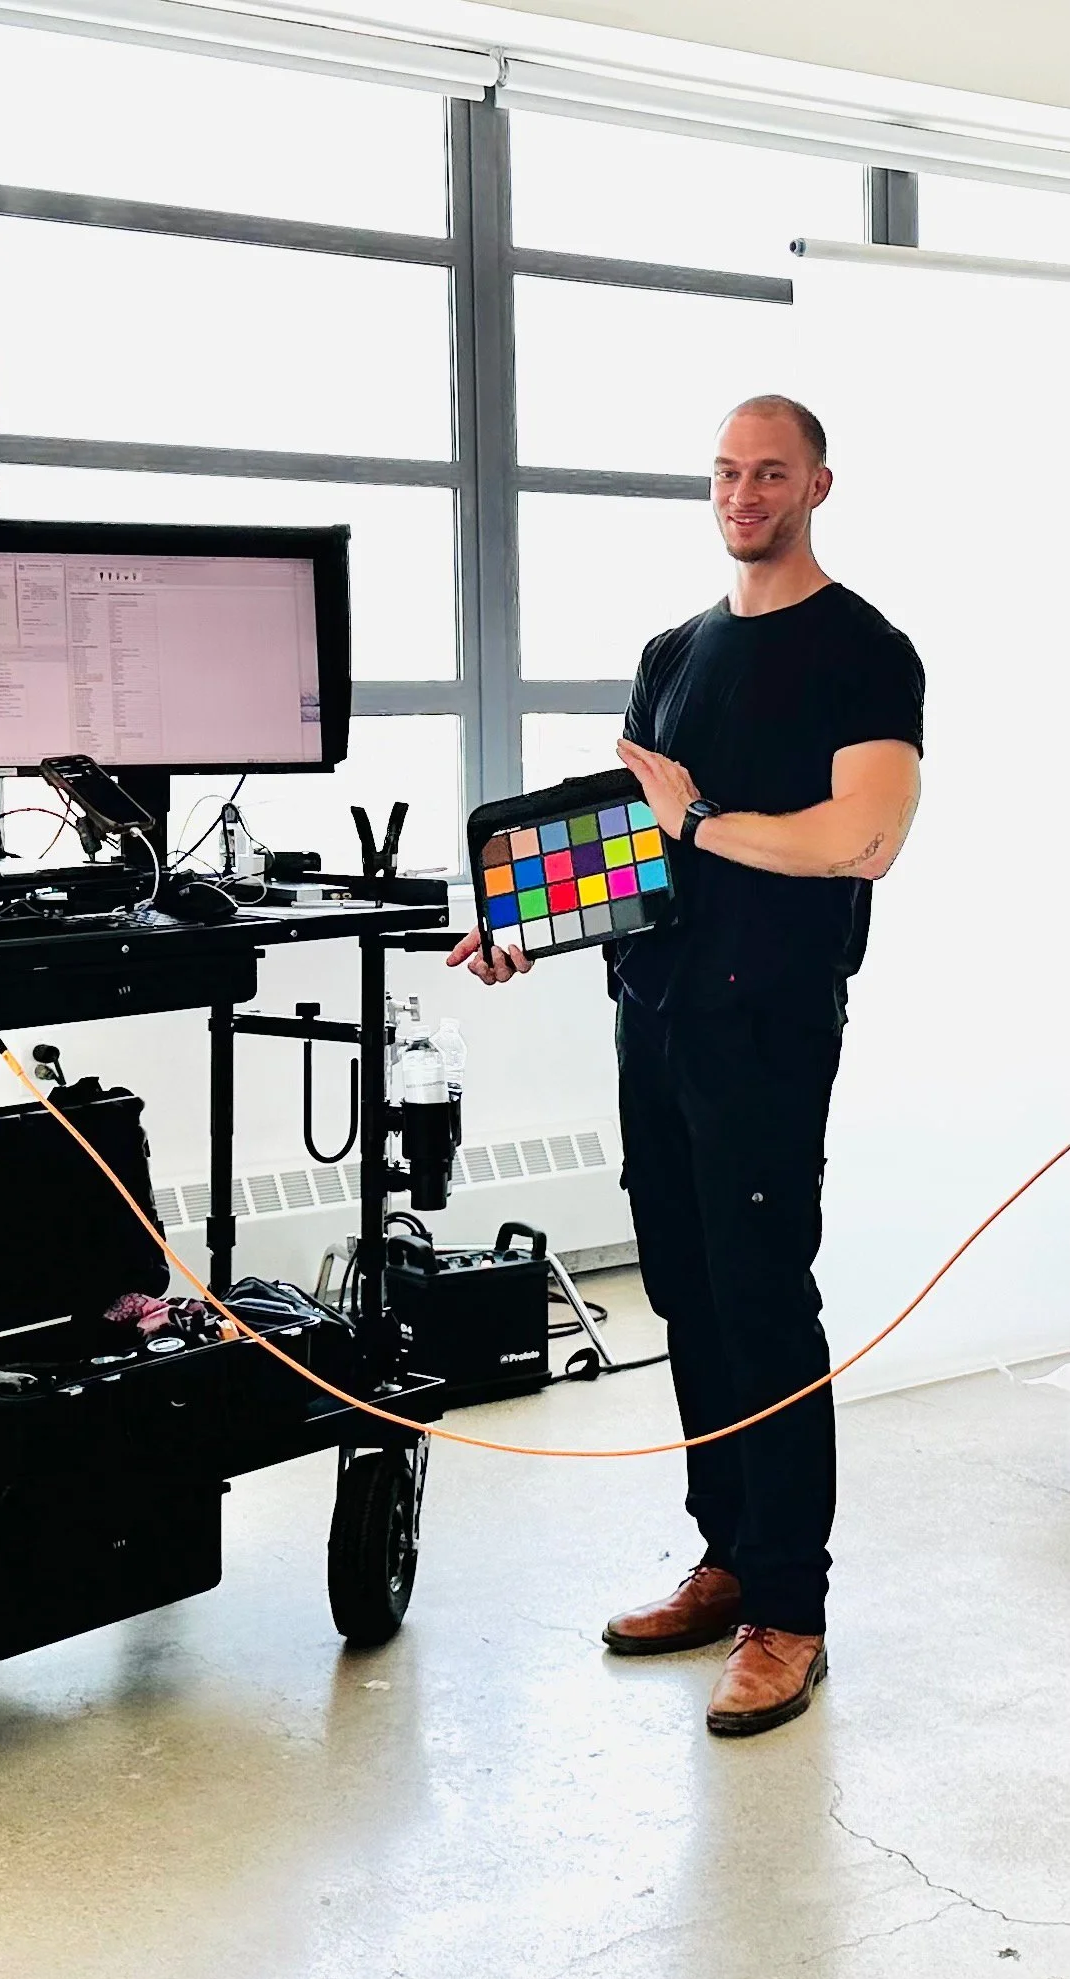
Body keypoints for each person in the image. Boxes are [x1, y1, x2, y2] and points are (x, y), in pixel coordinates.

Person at [447, 395, 924, 1737]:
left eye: (769, 472)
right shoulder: (674, 653)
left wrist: (701, 816)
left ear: (819, 483)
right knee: (688, 1294)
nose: (743, 492)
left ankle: (792, 1612)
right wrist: (521, 934)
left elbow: (864, 837)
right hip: (652, 1011)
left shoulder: (864, 650)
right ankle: (728, 1560)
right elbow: (631, 851)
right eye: (725, 472)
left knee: (764, 1298)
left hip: (768, 1019)